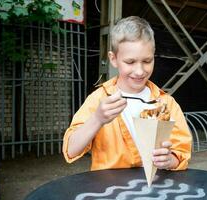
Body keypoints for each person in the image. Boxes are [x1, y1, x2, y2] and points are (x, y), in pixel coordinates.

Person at [63, 16, 192, 171]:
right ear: (114, 59)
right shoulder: (99, 100)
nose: (139, 71)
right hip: (109, 190)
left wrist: (170, 160)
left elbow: (182, 153)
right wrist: (97, 119)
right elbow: (71, 150)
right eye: (130, 62)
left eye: (147, 61)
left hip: (155, 189)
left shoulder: (167, 103)